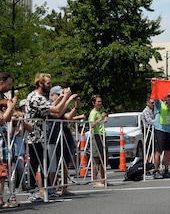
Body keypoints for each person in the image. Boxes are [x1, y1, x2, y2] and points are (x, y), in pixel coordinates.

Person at [24, 73, 78, 202]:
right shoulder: (36, 98)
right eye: (48, 83)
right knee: (35, 164)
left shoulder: (38, 97)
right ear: (40, 84)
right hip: (34, 136)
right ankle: (32, 191)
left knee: (45, 163)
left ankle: (49, 190)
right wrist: (66, 97)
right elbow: (57, 110)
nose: (50, 85)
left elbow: (54, 107)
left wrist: (63, 98)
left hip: (41, 135)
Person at [153, 92, 170, 179]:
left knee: (168, 151)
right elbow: (154, 95)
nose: (169, 98)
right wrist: (153, 85)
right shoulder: (159, 103)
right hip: (160, 129)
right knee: (159, 151)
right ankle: (156, 170)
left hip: (169, 130)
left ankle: (166, 170)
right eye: (168, 96)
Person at [88, 95, 108, 187]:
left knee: (103, 158)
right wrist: (100, 119)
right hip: (96, 135)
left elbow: (101, 122)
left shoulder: (98, 112)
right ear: (93, 103)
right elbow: (92, 125)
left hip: (102, 135)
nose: (100, 103)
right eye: (98, 101)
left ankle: (103, 180)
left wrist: (104, 118)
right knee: (96, 158)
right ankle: (95, 181)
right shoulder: (93, 113)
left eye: (100, 101)